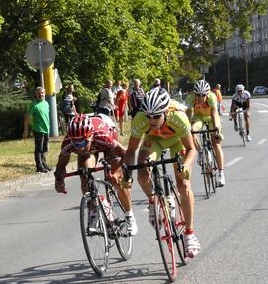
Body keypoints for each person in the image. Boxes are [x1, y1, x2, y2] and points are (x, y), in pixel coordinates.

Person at [122, 87, 201, 258]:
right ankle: (153, 200)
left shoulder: (178, 117)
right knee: (142, 172)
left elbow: (191, 149)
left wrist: (186, 166)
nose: (151, 121)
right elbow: (130, 151)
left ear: (165, 112)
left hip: (176, 142)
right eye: (148, 116)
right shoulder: (140, 119)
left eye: (156, 116)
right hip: (154, 141)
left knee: (183, 184)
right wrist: (127, 174)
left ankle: (190, 233)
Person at [54, 113, 138, 235]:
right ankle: (94, 211)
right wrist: (59, 181)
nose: (80, 148)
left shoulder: (102, 136)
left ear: (90, 136)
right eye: (76, 144)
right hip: (92, 146)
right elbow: (61, 165)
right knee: (85, 178)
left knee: (115, 178)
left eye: (82, 143)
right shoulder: (68, 142)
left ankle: (129, 215)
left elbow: (124, 154)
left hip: (107, 137)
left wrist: (119, 171)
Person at [187, 79, 226, 186]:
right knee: (192, 130)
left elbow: (214, 113)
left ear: (207, 94)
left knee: (216, 144)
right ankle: (200, 151)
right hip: (198, 117)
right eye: (197, 95)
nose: (200, 98)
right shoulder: (190, 98)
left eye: (203, 95)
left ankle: (221, 173)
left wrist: (216, 128)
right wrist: (188, 130)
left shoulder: (211, 96)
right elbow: (189, 115)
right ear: (194, 93)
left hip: (210, 117)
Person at [29, 86, 51, 173]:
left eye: (42, 93)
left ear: (44, 93)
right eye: (38, 93)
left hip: (46, 130)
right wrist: (28, 129)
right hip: (38, 130)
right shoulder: (33, 104)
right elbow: (28, 117)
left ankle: (44, 164)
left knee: (45, 149)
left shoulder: (46, 103)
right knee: (39, 149)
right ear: (36, 94)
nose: (40, 94)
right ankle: (39, 166)